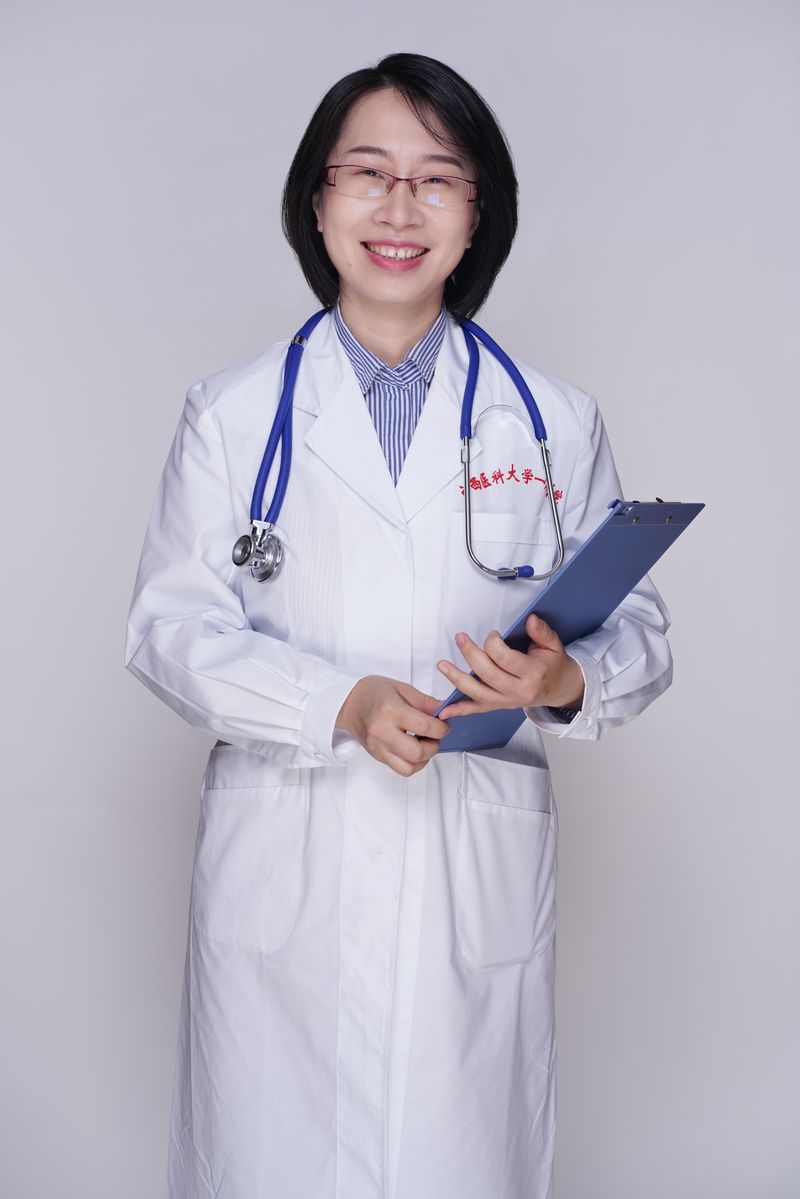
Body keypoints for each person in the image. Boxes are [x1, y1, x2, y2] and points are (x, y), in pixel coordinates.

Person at [125, 52, 672, 1199]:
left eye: (437, 179)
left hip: (466, 890)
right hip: (288, 875)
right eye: (367, 173)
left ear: (477, 215)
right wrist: (341, 702)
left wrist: (561, 681)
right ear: (316, 198)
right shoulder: (232, 416)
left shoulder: (555, 421)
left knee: (453, 1157)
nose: (398, 208)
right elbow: (170, 632)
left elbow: (639, 637)